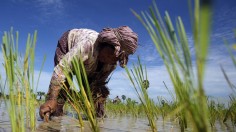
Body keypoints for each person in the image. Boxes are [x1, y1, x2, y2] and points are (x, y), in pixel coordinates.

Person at [39, 26, 138, 120]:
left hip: (88, 65)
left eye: (117, 59)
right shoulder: (88, 45)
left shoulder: (111, 64)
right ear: (105, 44)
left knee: (97, 103)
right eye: (111, 54)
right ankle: (54, 118)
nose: (112, 60)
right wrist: (51, 99)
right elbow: (61, 70)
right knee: (62, 91)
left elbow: (98, 84)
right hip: (69, 46)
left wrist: (95, 101)